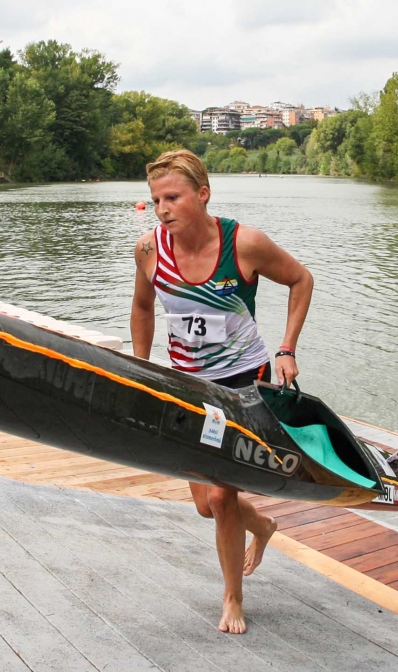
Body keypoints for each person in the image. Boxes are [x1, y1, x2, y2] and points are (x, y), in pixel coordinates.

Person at [131, 149, 313, 635]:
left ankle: (233, 597)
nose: (162, 208)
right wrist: (140, 366)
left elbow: (300, 279)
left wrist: (287, 347)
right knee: (205, 503)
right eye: (155, 199)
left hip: (242, 385)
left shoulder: (244, 244)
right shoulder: (149, 249)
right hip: (187, 384)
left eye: (173, 197)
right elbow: (144, 307)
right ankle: (264, 526)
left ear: (203, 194)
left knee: (222, 495)